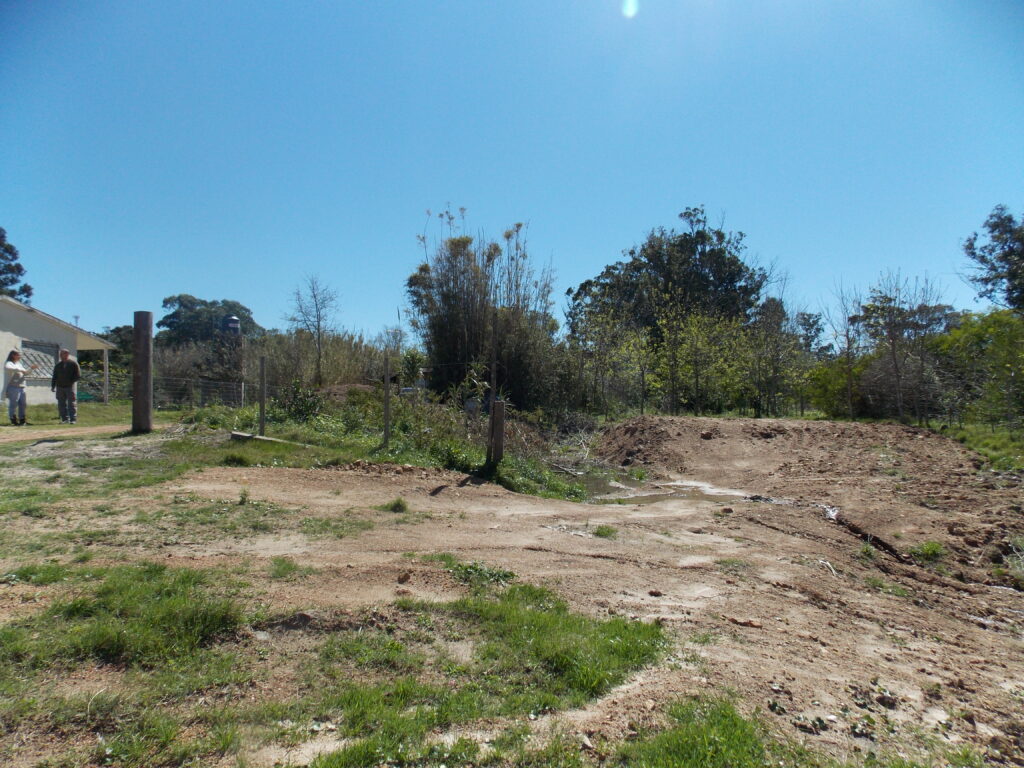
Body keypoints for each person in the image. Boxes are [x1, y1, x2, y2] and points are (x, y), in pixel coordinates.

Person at [5, 350, 37, 426]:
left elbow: (25, 372)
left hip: (22, 387)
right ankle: (13, 420)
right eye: (18, 355)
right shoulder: (9, 363)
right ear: (13, 355)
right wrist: (20, 370)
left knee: (23, 404)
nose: (20, 356)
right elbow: (10, 368)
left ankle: (22, 420)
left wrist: (31, 368)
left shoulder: (19, 364)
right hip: (13, 387)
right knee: (14, 403)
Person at [51, 348, 81, 424]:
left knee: (71, 403)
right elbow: (54, 376)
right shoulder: (58, 365)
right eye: (63, 353)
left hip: (69, 386)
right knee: (61, 403)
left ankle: (73, 419)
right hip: (60, 387)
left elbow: (78, 375)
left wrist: (71, 382)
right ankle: (64, 419)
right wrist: (53, 386)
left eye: (66, 353)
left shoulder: (73, 363)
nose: (64, 355)